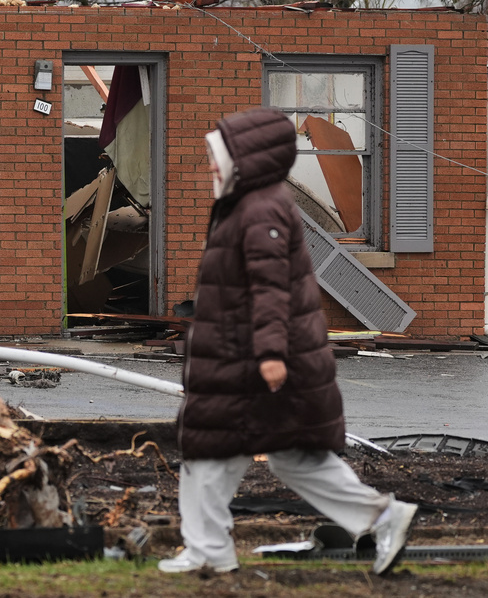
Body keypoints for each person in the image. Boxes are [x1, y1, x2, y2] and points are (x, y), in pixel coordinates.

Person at [158, 106, 417, 575]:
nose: (212, 166)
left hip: (252, 362)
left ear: (247, 159)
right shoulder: (252, 206)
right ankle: (380, 517)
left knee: (214, 454)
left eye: (219, 156)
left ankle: (210, 551)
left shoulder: (258, 211)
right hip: (248, 359)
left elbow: (270, 286)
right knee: (282, 457)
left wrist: (272, 353)